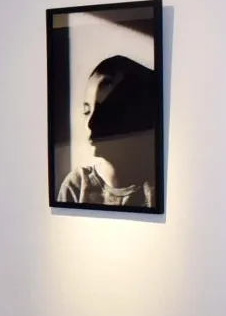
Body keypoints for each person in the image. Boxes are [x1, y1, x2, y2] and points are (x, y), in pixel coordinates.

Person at [56, 55, 159, 208]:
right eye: (87, 111)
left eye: (105, 112)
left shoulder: (154, 190)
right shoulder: (76, 185)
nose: (90, 123)